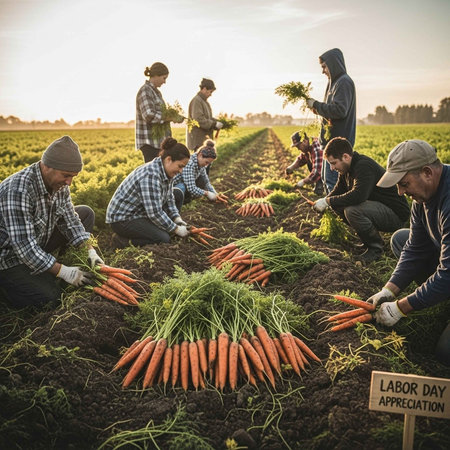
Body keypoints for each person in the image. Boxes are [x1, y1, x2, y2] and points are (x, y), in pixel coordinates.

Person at [367, 139, 449, 365]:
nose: (401, 192)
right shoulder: (422, 199)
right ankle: (437, 292)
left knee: (445, 354)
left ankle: (439, 293)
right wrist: (389, 291)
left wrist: (400, 308)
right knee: (402, 239)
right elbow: (415, 247)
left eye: (404, 183)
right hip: (447, 266)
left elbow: (449, 273)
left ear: (426, 172)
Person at [0, 136, 103, 308]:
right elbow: (25, 248)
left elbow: (70, 220)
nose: (69, 182)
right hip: (10, 257)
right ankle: (10, 289)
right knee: (52, 298)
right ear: (47, 166)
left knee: (84, 213)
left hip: (37, 242)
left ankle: (48, 268)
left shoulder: (59, 185)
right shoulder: (18, 190)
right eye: (66, 175)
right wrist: (63, 272)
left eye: (73, 177)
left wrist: (90, 250)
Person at [313, 137, 410, 263]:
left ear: (346, 157)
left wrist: (328, 202)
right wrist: (325, 200)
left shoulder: (363, 166)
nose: (332, 168)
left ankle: (375, 248)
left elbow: (359, 195)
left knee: (352, 210)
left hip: (395, 215)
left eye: (334, 163)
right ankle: (367, 241)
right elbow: (339, 190)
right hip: (378, 209)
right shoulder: (346, 169)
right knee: (338, 204)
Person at [106, 137, 191, 246]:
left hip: (141, 211)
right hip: (124, 219)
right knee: (163, 239)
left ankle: (166, 228)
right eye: (180, 166)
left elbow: (169, 198)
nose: (181, 171)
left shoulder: (167, 171)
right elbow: (154, 212)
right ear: (169, 159)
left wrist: (176, 218)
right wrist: (176, 229)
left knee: (177, 193)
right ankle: (121, 241)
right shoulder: (150, 175)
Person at [306, 48, 356, 194]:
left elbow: (340, 110)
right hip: (330, 142)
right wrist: (318, 109)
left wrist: (316, 105)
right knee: (326, 179)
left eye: (324, 67)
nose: (323, 71)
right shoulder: (333, 83)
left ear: (333, 64)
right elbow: (331, 110)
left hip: (338, 144)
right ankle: (334, 211)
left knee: (332, 183)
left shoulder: (343, 82)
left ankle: (337, 214)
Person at [135, 62, 183, 163]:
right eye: (164, 78)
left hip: (157, 143)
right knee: (155, 173)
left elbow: (160, 113)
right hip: (151, 143)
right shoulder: (145, 91)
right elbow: (148, 115)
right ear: (156, 75)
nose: (164, 82)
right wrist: (171, 118)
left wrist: (173, 115)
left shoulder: (156, 92)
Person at [173, 139, 218, 211]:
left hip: (185, 184)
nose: (206, 166)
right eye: (206, 162)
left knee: (202, 181)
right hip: (175, 186)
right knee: (182, 187)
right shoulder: (190, 164)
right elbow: (191, 188)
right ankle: (176, 205)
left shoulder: (201, 165)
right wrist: (206, 193)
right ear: (200, 155)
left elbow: (206, 182)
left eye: (209, 164)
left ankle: (187, 199)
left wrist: (215, 194)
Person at [187, 78, 223, 156]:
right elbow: (199, 119)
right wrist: (214, 124)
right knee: (200, 166)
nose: (211, 94)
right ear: (204, 89)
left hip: (204, 140)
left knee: (205, 166)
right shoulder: (197, 101)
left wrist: (217, 122)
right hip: (198, 142)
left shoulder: (205, 102)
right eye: (210, 92)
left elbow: (208, 118)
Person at [285, 131, 324, 196]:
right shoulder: (308, 147)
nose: (298, 149)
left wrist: (303, 182)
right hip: (322, 169)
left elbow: (317, 172)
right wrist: (290, 168)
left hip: (333, 171)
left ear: (304, 141)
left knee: (313, 165)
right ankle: (319, 183)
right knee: (308, 160)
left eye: (298, 146)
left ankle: (322, 184)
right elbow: (301, 159)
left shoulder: (316, 148)